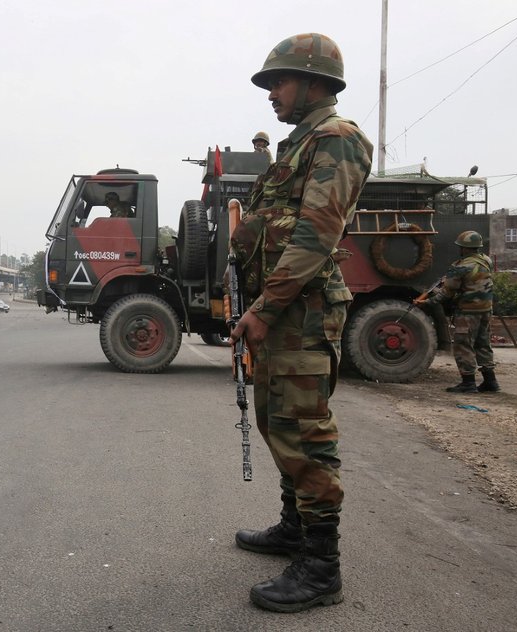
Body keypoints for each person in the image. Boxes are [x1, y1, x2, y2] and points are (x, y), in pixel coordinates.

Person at [228, 33, 373, 613]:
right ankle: (294, 529)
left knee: (304, 431)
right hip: (284, 306)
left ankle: (321, 567)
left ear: (315, 82)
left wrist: (265, 307)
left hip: (302, 309)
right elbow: (277, 223)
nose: (270, 93)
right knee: (276, 421)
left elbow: (318, 232)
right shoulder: (296, 145)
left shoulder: (337, 140)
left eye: (279, 82)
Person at [415, 231, 499, 393]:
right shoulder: (486, 260)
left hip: (468, 312)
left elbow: (446, 293)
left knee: (463, 345)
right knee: (483, 345)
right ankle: (491, 381)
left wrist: (425, 303)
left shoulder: (460, 267)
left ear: (464, 248)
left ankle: (468, 383)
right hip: (486, 310)